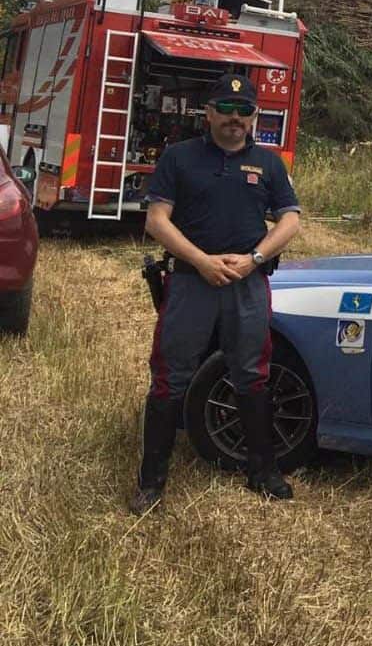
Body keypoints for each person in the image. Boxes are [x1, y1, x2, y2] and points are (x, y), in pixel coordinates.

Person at [129, 73, 303, 514]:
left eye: (244, 111)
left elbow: (290, 221)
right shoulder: (179, 158)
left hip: (248, 283)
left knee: (253, 374)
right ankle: (152, 483)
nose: (234, 118)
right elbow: (157, 221)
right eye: (225, 109)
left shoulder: (268, 163)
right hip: (192, 282)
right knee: (171, 375)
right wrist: (203, 261)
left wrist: (255, 259)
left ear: (254, 117)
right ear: (207, 113)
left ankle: (262, 471)